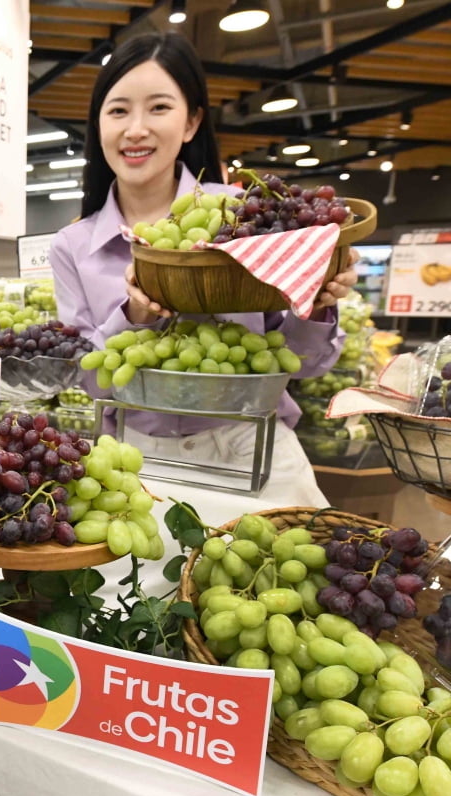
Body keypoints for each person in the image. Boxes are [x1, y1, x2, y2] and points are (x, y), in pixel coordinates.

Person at [49, 32, 356, 506]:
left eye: (158, 108)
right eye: (118, 110)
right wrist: (135, 316)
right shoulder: (73, 246)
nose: (135, 129)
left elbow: (307, 363)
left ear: (192, 122)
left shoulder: (244, 216)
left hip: (257, 457)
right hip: (137, 470)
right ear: (98, 124)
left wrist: (313, 303)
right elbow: (88, 378)